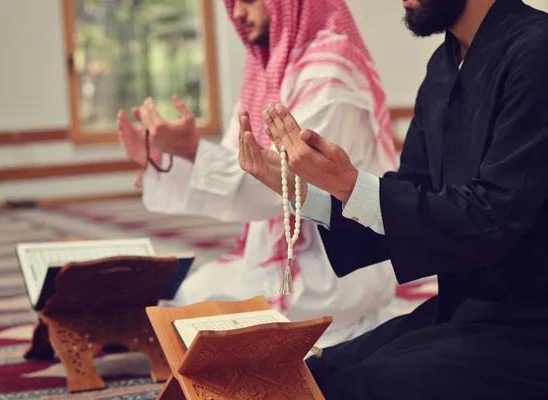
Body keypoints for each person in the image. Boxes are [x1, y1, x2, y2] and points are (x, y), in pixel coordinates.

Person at [239, 0, 548, 397]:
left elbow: (492, 217)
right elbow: (413, 199)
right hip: (465, 306)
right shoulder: (443, 67)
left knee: (355, 386)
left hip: (532, 323)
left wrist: (350, 185)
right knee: (312, 370)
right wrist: (301, 190)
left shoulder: (536, 51)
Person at [117, 0, 400, 349]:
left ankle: (353, 335)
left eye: (248, 1)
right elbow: (237, 160)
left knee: (199, 322)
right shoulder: (270, 68)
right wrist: (163, 156)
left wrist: (191, 150)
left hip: (334, 267)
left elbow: (287, 183)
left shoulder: (330, 69)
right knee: (181, 299)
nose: (237, 14)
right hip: (275, 257)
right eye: (232, 4)